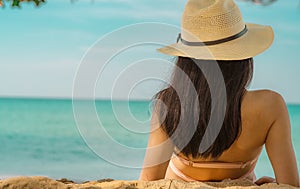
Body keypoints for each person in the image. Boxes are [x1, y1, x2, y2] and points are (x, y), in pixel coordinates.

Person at [139, 0, 299, 187]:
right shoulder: (270, 106)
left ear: (186, 61)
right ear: (243, 56)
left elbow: (149, 182)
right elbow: (290, 185)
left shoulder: (170, 104)